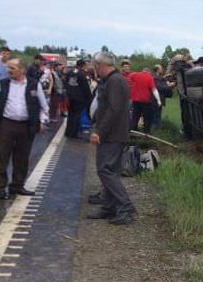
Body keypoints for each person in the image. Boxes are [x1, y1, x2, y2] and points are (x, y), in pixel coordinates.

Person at [88, 51, 135, 225]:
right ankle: (109, 207)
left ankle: (125, 206)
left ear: (101, 65)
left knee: (105, 170)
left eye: (95, 66)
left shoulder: (115, 81)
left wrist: (99, 131)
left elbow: (114, 110)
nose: (94, 69)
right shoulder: (114, 80)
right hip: (114, 133)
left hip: (111, 134)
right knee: (111, 171)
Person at [0, 59, 49, 199]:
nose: (9, 70)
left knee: (22, 157)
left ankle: (17, 186)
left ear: (22, 70)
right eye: (8, 68)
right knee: (1, 156)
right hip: (6, 124)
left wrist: (42, 120)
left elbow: (43, 106)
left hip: (26, 125)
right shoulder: (3, 84)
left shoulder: (34, 84)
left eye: (12, 68)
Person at [65, 59, 92, 138]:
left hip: (70, 97)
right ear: (83, 65)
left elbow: (66, 83)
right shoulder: (82, 74)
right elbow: (85, 88)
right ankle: (73, 133)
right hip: (79, 98)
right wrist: (89, 98)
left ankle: (68, 132)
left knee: (70, 115)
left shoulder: (70, 73)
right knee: (76, 116)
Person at [130, 69, 161, 134]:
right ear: (149, 73)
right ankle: (146, 135)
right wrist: (158, 100)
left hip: (135, 101)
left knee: (134, 118)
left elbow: (129, 79)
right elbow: (154, 90)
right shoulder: (149, 78)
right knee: (147, 119)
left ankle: (132, 133)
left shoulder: (135, 75)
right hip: (145, 102)